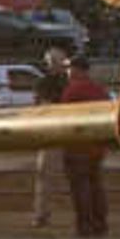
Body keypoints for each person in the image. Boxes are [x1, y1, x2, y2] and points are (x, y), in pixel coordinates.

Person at [57, 52, 113, 237]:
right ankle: (100, 224)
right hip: (96, 147)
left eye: (69, 68)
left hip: (77, 146)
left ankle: (85, 225)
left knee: (81, 188)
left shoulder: (72, 90)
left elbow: (64, 118)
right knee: (96, 185)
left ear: (76, 70)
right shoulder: (100, 90)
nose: (67, 72)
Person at [28, 48, 73, 228]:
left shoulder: (67, 81)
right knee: (46, 177)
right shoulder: (44, 83)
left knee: (54, 176)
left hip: (65, 132)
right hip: (51, 133)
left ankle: (42, 214)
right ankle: (41, 214)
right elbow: (42, 107)